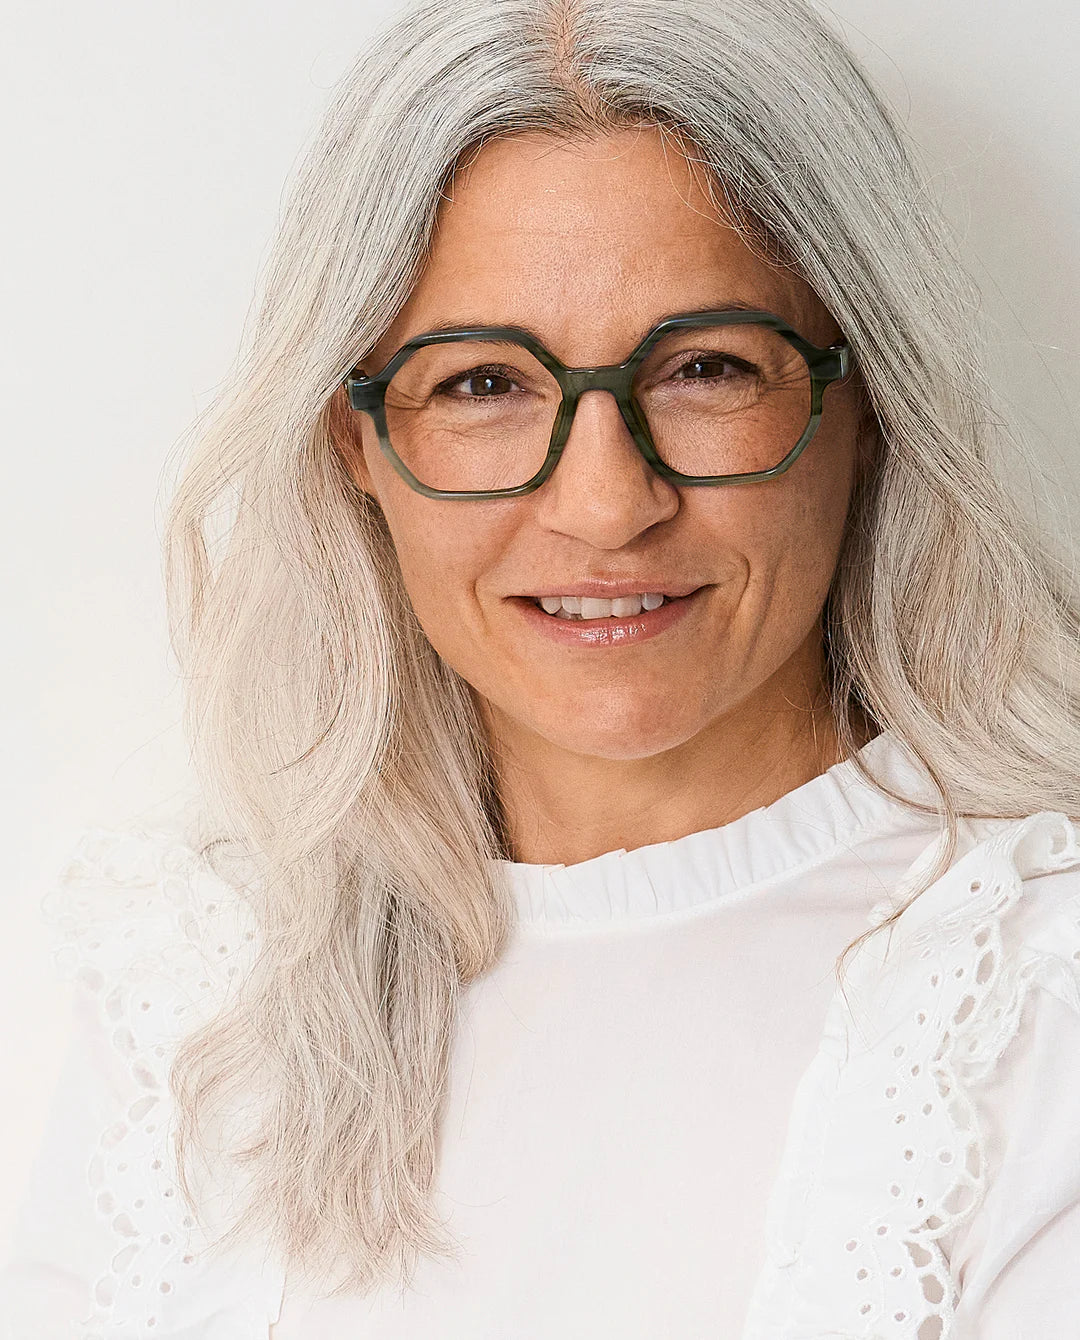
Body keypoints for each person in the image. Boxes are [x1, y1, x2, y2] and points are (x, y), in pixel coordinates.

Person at [5, 0, 1080, 1336]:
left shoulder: (1043, 993)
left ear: (865, 408)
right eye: (481, 385)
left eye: (704, 368)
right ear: (354, 443)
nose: (606, 506)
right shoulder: (202, 988)